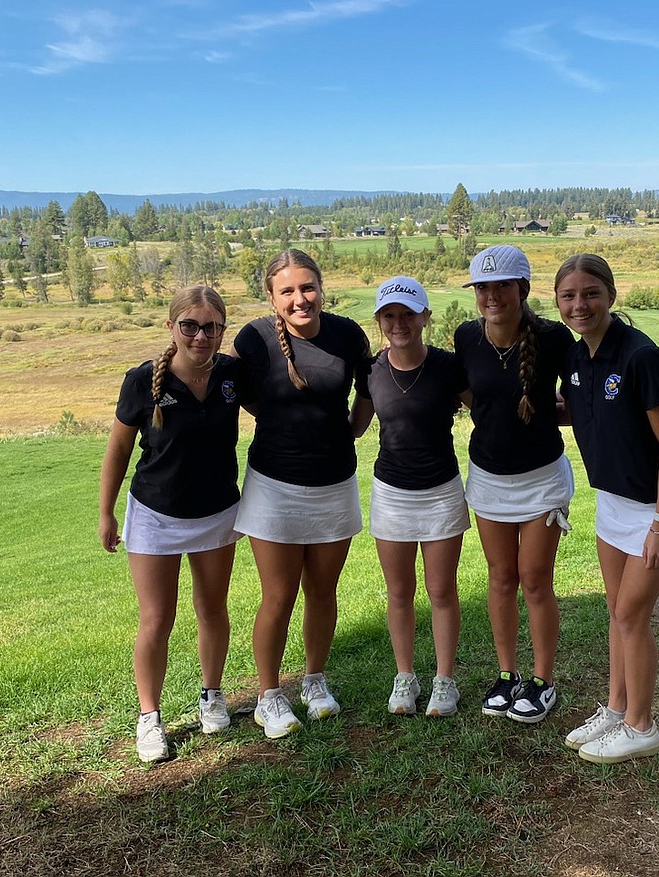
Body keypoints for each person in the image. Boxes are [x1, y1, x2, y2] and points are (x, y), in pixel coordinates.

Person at [554, 253, 659, 764]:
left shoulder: (641, 357)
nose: (580, 304)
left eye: (590, 293)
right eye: (570, 296)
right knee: (615, 614)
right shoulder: (578, 359)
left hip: (656, 510)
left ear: (612, 296)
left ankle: (642, 725)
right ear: (558, 302)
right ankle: (616, 709)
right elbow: (583, 413)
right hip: (612, 502)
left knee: (630, 615)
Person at [99, 285, 242, 763]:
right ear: (172, 328)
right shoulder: (143, 382)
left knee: (212, 609)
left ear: (223, 330)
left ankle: (212, 696)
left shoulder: (231, 375)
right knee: (157, 620)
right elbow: (118, 450)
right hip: (155, 515)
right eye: (190, 326)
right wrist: (105, 511)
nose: (201, 335)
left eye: (211, 327)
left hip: (218, 512)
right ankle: (149, 718)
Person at [233, 248, 372, 739]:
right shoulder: (252, 340)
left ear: (321, 288)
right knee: (278, 595)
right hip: (274, 487)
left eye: (307, 287)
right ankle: (269, 696)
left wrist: (355, 425)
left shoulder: (347, 334)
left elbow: (368, 383)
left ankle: (314, 681)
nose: (300, 298)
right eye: (287, 290)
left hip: (335, 485)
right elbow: (238, 391)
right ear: (271, 297)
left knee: (322, 590)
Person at [454, 244, 575, 724]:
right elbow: (468, 393)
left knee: (535, 581)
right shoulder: (467, 336)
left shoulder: (552, 338)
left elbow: (580, 397)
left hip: (543, 480)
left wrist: (550, 413)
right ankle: (507, 676)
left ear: (522, 289)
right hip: (487, 479)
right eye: (483, 286)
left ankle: (542, 681)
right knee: (501, 579)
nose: (491, 295)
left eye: (501, 285)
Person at [351, 276, 469, 717]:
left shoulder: (448, 366)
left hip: (441, 490)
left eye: (407, 314)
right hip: (391, 492)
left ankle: (444, 681)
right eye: (389, 316)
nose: (398, 323)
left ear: (424, 317)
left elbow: (486, 407)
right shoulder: (371, 371)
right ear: (379, 320)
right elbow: (356, 426)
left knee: (441, 590)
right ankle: (405, 678)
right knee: (399, 591)